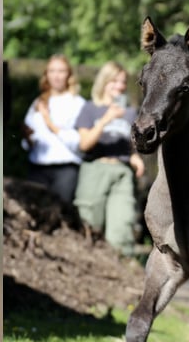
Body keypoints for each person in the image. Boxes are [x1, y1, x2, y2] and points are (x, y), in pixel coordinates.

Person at [74, 62, 145, 256]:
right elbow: (84, 144)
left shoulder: (130, 112)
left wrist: (135, 158)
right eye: (114, 81)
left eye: (122, 82)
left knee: (122, 226)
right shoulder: (90, 109)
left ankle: (122, 272)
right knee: (89, 222)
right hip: (95, 169)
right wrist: (106, 119)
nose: (119, 86)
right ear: (104, 82)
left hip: (122, 172)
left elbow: (130, 145)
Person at [23, 54, 85, 204]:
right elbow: (29, 142)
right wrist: (27, 137)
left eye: (61, 71)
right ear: (46, 74)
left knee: (59, 214)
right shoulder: (38, 102)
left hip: (65, 169)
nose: (56, 76)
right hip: (38, 168)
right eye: (52, 71)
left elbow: (79, 143)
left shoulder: (77, 103)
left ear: (68, 74)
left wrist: (50, 123)